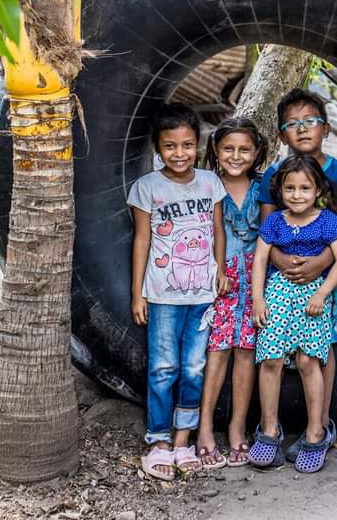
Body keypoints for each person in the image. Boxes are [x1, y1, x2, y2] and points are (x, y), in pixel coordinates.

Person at [128, 103, 227, 481]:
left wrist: (219, 271)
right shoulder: (147, 188)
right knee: (163, 367)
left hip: (202, 294)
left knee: (194, 367)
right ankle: (158, 441)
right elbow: (142, 240)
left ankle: (183, 439)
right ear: (157, 147)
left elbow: (218, 231)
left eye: (187, 145)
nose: (180, 153)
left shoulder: (210, 183)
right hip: (163, 295)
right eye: (170, 146)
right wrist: (138, 293)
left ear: (197, 144)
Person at [256, 88, 337, 459]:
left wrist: (318, 266)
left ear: (325, 128)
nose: (302, 129)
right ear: (282, 134)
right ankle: (270, 426)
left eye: (310, 121)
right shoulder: (274, 174)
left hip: (324, 275)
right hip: (281, 276)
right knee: (275, 347)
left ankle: (320, 426)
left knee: (319, 346)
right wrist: (280, 262)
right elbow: (266, 228)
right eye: (292, 124)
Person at [248, 155, 337, 473]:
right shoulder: (275, 221)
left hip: (313, 296)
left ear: (317, 188)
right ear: (281, 191)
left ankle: (315, 432)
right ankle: (268, 430)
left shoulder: (329, 221)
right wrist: (257, 299)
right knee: (271, 359)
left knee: (308, 360)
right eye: (290, 188)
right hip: (277, 293)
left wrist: (322, 293)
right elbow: (260, 259)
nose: (297, 194)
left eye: (305, 188)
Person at [194, 117, 269, 469]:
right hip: (218, 280)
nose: (236, 156)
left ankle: (237, 426)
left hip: (255, 282)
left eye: (244, 149)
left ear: (256, 154)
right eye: (228, 149)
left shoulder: (264, 189)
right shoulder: (205, 186)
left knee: (245, 350)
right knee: (217, 350)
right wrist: (215, 270)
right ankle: (205, 426)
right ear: (215, 150)